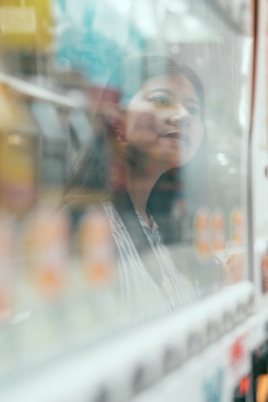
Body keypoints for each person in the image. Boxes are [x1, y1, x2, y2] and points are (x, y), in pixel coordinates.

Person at [64, 55, 224, 313]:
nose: (182, 115)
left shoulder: (160, 226)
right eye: (162, 100)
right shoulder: (88, 226)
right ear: (117, 117)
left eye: (193, 110)